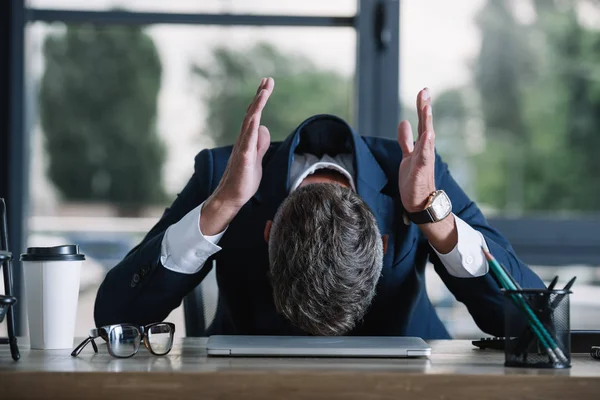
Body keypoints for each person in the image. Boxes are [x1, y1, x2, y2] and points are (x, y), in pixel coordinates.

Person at [94, 77, 543, 339]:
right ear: (268, 232)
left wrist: (432, 213)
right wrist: (223, 205)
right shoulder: (223, 175)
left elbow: (535, 319)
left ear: (384, 245)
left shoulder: (413, 170)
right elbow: (116, 316)